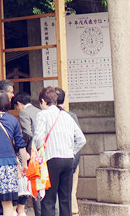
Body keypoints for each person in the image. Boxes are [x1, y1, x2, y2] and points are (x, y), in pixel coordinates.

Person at [33, 86, 86, 216]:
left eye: (41, 103)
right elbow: (81, 139)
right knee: (65, 198)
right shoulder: (67, 116)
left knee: (48, 199)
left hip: (52, 159)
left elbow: (38, 139)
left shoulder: (42, 115)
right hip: (68, 159)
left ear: (44, 101)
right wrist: (71, 151)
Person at [14, 91, 41, 216]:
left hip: (32, 152)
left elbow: (27, 133)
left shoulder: (23, 112)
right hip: (43, 152)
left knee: (34, 184)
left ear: (19, 104)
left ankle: (39, 212)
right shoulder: (39, 111)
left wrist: (23, 149)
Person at [55, 88, 81, 216]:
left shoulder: (45, 116)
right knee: (69, 193)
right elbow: (79, 140)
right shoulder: (71, 116)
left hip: (56, 160)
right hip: (71, 159)